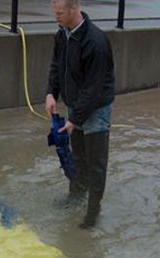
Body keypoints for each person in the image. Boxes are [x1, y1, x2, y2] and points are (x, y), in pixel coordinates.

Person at [46, 0, 115, 228]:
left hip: (96, 108)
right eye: (54, 12)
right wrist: (50, 93)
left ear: (74, 10)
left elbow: (93, 89)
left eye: (59, 13)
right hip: (75, 103)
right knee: (78, 158)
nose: (56, 17)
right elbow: (57, 65)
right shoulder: (62, 34)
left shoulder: (95, 42)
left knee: (96, 162)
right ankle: (76, 197)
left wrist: (75, 120)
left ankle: (93, 212)